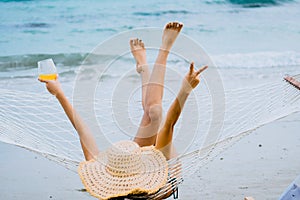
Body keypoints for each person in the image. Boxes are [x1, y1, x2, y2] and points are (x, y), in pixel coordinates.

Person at [39, 22, 208, 200]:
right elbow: (169, 125)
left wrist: (59, 94)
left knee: (151, 113)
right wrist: (185, 90)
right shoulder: (158, 171)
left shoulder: (108, 180)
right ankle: (160, 52)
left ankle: (146, 64)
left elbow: (83, 131)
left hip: (136, 163)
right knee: (156, 113)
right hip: (166, 174)